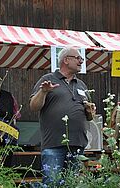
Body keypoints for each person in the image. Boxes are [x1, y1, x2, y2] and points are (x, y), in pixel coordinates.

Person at [30, 46, 95, 186]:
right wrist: (43, 92)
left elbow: (89, 117)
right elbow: (34, 106)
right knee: (53, 183)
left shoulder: (82, 85)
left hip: (78, 145)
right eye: (78, 58)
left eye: (81, 59)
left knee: (73, 184)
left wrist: (90, 111)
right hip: (54, 144)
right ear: (66, 60)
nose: (81, 62)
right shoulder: (48, 79)